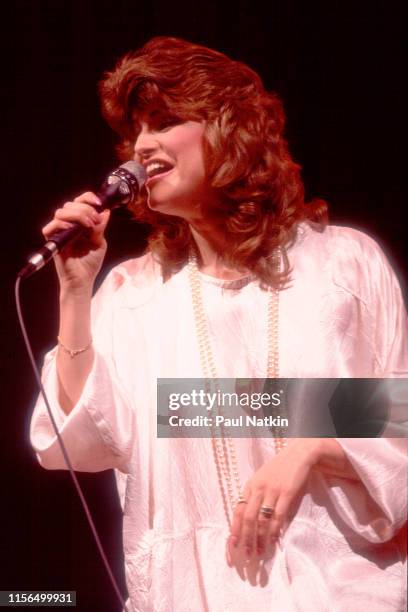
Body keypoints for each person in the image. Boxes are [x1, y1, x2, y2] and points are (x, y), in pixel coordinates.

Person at [30, 37, 407, 611]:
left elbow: (398, 421)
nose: (141, 146)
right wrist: (76, 296)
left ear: (232, 130)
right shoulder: (136, 295)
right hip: (192, 592)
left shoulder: (342, 266)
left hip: (338, 590)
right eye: (136, 129)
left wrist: (309, 448)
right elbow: (76, 442)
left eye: (163, 121)